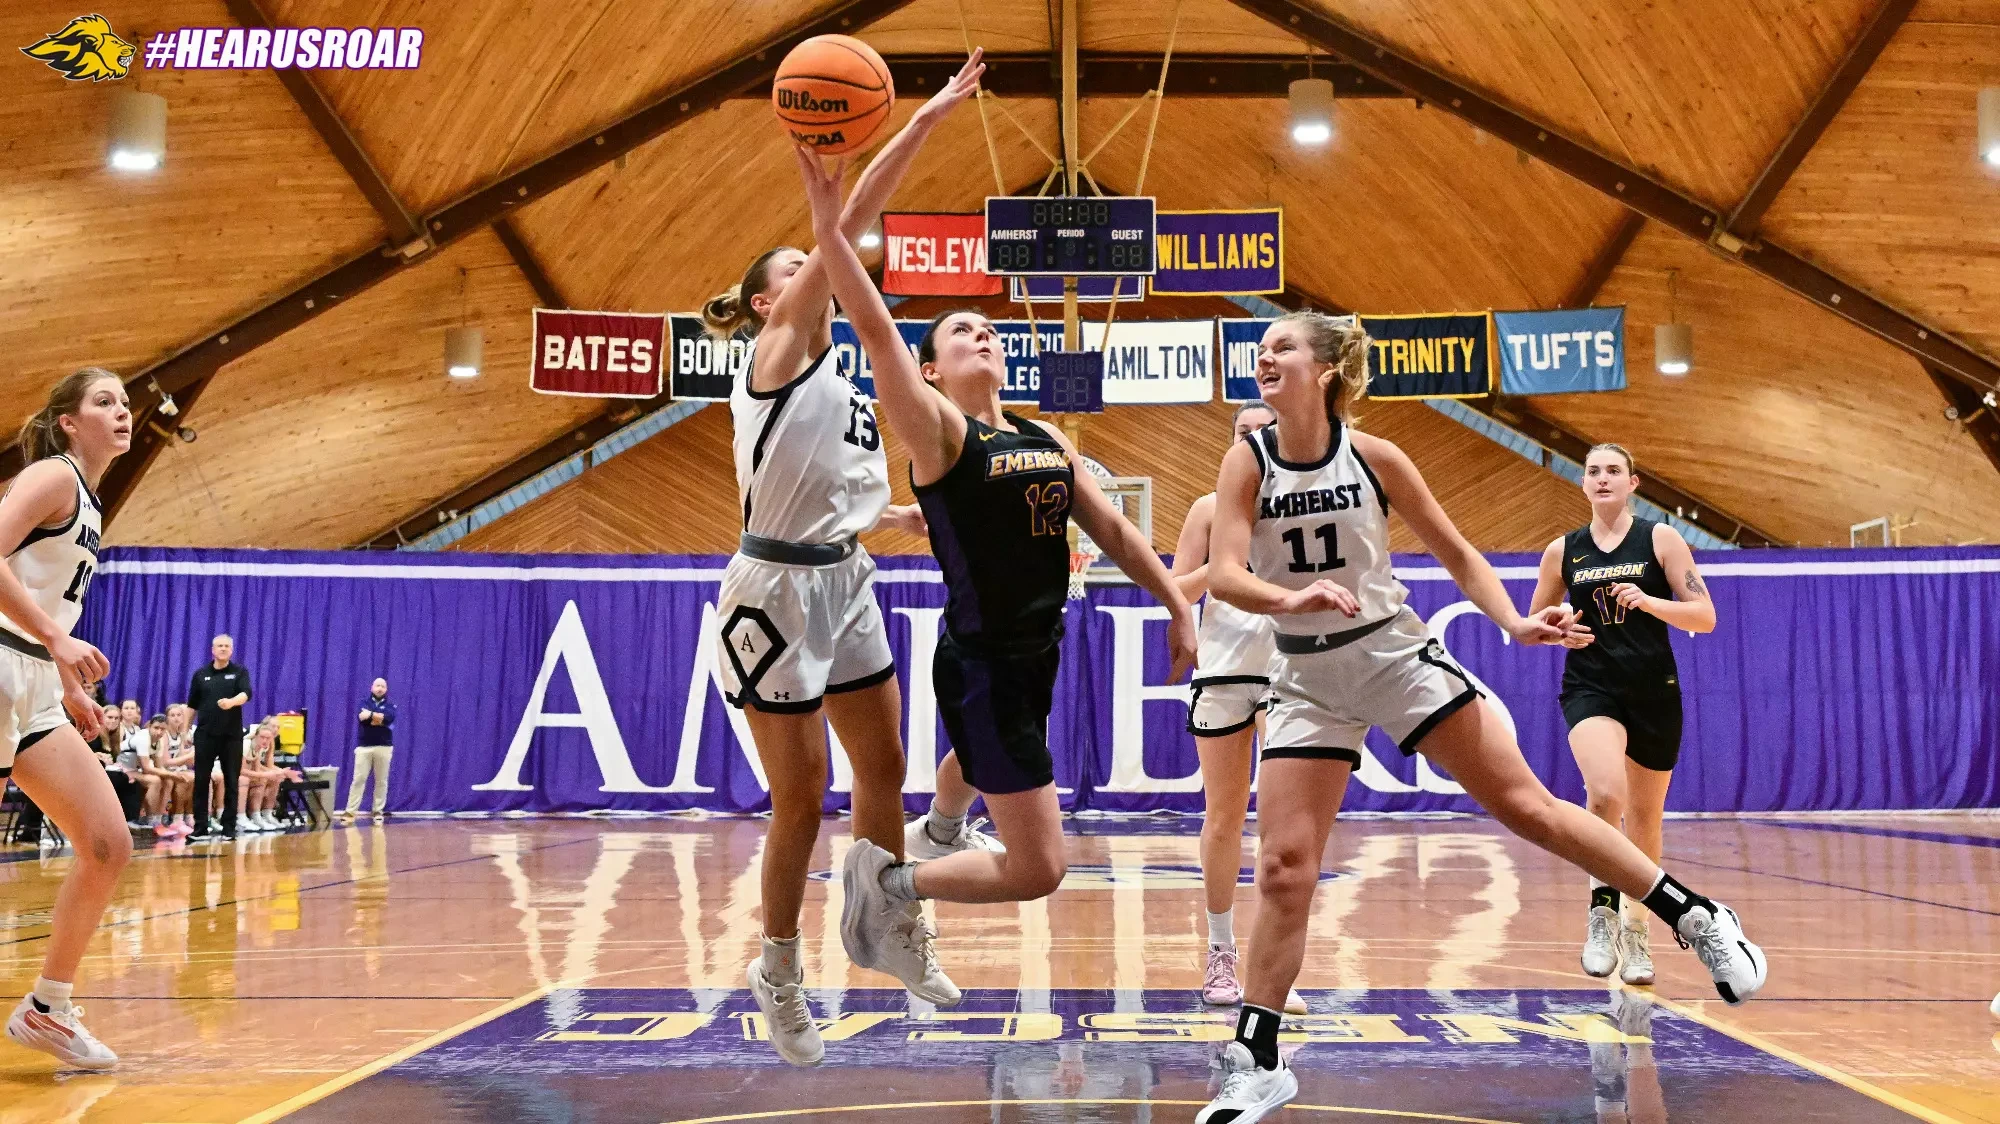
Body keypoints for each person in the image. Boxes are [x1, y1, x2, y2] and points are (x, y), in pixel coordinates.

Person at [1193, 313, 1766, 1124]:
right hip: (1305, 674)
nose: (1265, 356)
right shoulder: (1244, 460)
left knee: (1528, 807)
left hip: (1392, 656)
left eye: (1282, 345)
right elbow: (1222, 571)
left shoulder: (1376, 457)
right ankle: (1257, 1059)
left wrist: (1514, 620)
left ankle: (1695, 916)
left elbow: (1459, 553)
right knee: (1285, 865)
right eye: (1262, 350)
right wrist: (1289, 597)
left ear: (1325, 369)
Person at [790, 144, 1199, 1006]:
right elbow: (869, 328)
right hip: (983, 662)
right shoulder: (941, 434)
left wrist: (1177, 605)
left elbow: (1118, 531)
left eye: (990, 326)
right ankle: (888, 890)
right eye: (961, 330)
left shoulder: (1046, 440)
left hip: (1033, 652)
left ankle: (936, 829)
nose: (984, 330)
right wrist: (830, 227)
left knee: (974, 768)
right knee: (1039, 868)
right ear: (931, 370)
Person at [698, 52, 987, 1069]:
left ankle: (882, 927)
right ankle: (776, 967)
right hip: (770, 590)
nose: (805, 269)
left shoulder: (842, 371)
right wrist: (921, 125)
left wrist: (894, 523)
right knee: (800, 796)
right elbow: (851, 223)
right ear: (768, 297)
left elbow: (834, 485)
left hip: (839, 572)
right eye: (790, 265)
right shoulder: (779, 344)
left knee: (886, 769)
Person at [1528, 444, 1716, 987]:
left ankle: (1638, 933)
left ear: (1633, 482)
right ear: (1583, 484)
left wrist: (1651, 602)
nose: (1603, 478)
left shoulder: (1660, 539)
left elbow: (1704, 616)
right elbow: (1538, 621)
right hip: (1591, 686)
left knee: (1645, 823)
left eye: (1614, 471)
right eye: (1594, 471)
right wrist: (1557, 627)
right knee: (1605, 794)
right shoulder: (1562, 550)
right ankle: (1601, 913)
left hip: (1654, 690)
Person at [0, 367, 133, 1069]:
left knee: (108, 844)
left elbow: (41, 595)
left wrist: (64, 683)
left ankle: (48, 1009)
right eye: (104, 402)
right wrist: (54, 640)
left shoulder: (89, 499)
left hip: (32, 683)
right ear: (69, 423)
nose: (122, 412)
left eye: (125, 403)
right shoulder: (52, 477)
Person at [1170, 401, 1301, 1015]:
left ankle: (1273, 969)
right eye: (1243, 433)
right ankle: (1219, 952)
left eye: (1263, 430)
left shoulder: (1303, 504)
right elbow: (1177, 591)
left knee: (1284, 830)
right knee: (1224, 818)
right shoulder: (1207, 509)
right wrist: (1224, 571)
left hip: (1289, 675)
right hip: (1223, 673)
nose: (1253, 439)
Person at [186, 634, 250, 840]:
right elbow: (191, 705)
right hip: (205, 735)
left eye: (227, 646)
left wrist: (231, 702)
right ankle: (200, 827)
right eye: (219, 646)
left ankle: (229, 827)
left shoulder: (239, 672)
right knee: (201, 780)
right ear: (212, 650)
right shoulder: (200, 674)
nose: (223, 649)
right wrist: (187, 730)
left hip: (231, 736)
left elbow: (246, 694)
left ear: (231, 650)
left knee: (232, 780)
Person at [343, 678, 396, 821]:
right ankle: (350, 812)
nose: (380, 688)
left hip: (384, 747)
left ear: (386, 689)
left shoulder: (391, 705)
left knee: (381, 781)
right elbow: (362, 719)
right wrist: (379, 719)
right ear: (372, 687)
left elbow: (389, 718)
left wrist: (371, 715)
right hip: (364, 747)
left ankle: (378, 811)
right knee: (358, 779)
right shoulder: (363, 702)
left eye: (383, 686)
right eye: (378, 685)